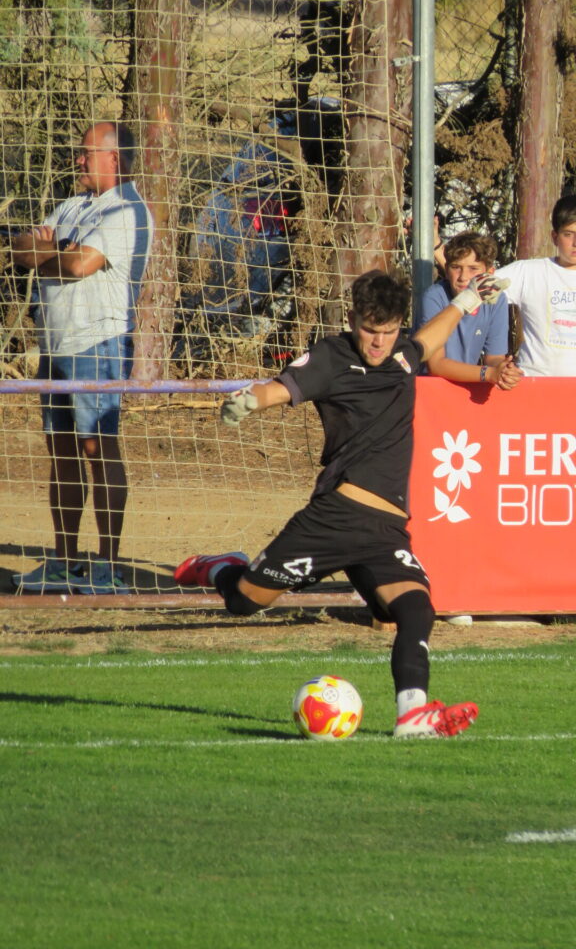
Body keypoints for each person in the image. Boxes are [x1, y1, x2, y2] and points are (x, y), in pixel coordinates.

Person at [174, 268, 509, 738]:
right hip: (336, 518)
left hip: (385, 530)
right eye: (370, 331)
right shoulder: (331, 357)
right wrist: (251, 401)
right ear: (353, 320)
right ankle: (221, 568)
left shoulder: (401, 356)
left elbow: (428, 341)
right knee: (244, 602)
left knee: (417, 608)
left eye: (388, 332)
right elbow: (280, 388)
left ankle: (412, 714)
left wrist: (468, 299)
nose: (379, 343)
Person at [11, 121, 154, 594]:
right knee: (61, 451)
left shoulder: (129, 210)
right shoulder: (72, 205)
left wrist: (51, 252)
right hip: (55, 344)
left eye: (86, 153)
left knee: (98, 448)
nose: (78, 161)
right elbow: (21, 248)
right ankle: (65, 561)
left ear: (114, 159)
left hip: (98, 344)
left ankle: (108, 566)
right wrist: (53, 250)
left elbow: (77, 266)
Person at [418, 230, 523, 389]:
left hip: (466, 387)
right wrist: (488, 374)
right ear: (446, 270)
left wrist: (503, 370)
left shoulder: (497, 300)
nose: (463, 277)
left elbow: (494, 357)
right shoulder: (434, 297)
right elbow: (436, 365)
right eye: (456, 267)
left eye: (473, 269)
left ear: (489, 273)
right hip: (430, 389)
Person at [496, 194, 576, 376]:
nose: (575, 243)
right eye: (568, 234)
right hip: (535, 384)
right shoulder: (528, 271)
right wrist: (437, 249)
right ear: (554, 237)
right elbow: (471, 284)